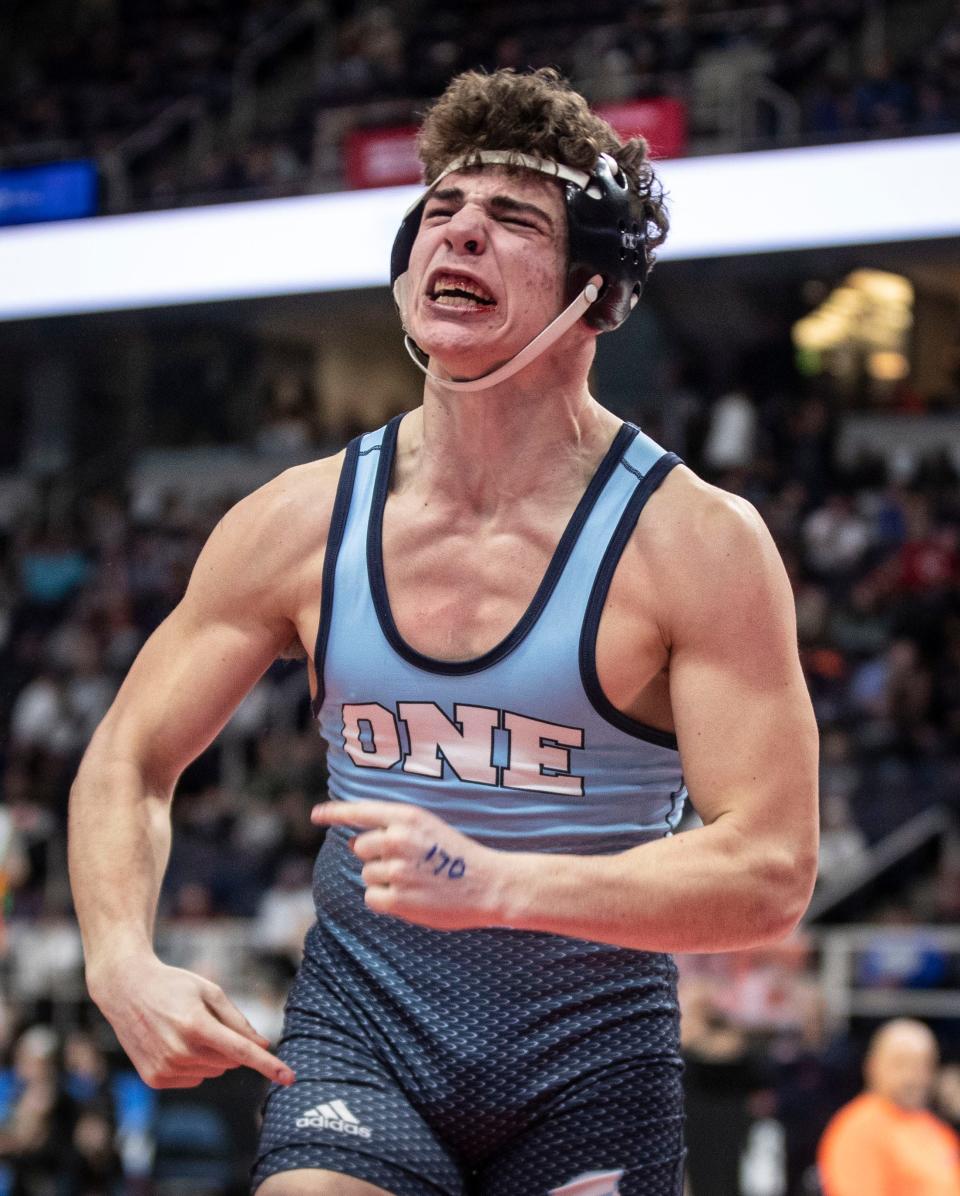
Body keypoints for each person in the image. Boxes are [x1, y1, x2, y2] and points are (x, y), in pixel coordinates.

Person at [68, 68, 819, 1196]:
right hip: (364, 1035)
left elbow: (770, 867)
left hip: (592, 1059)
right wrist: (119, 959)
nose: (457, 232)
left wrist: (500, 881)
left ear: (595, 288)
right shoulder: (298, 518)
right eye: (440, 209)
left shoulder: (697, 544)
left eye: (512, 218)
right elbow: (128, 756)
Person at [817, 1018, 960, 1196]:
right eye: (901, 1063)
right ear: (872, 1066)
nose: (913, 1076)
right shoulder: (860, 1129)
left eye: (923, 1065)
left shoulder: (936, 1129)